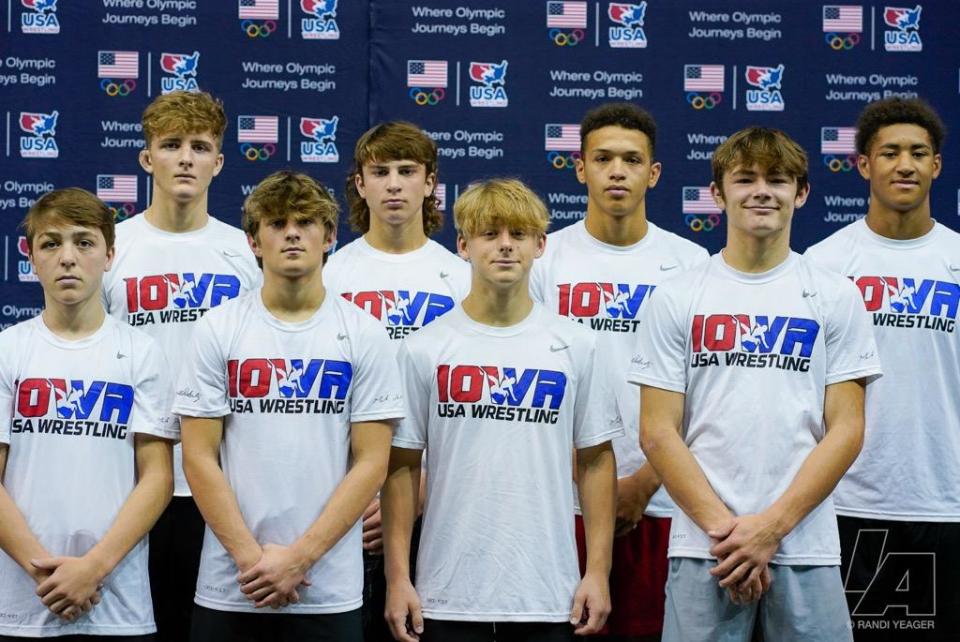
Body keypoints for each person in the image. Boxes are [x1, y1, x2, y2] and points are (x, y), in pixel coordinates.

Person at [629, 127, 882, 641]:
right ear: (718, 194)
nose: (761, 191)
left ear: (802, 192)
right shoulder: (678, 296)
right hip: (706, 549)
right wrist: (732, 537)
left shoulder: (835, 296)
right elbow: (657, 432)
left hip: (804, 544)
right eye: (745, 179)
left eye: (778, 179)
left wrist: (771, 529)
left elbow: (848, 429)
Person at [382, 178, 620, 642]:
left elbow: (595, 461)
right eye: (490, 234)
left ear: (540, 245)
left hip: (549, 595)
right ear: (464, 245)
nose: (506, 246)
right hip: (445, 594)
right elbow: (402, 467)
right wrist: (397, 577)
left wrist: (598, 572)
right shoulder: (424, 348)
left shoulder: (578, 344)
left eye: (518, 234)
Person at [173, 171, 404, 642]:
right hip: (232, 584)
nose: (293, 232)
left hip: (326, 586)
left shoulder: (364, 333)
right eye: (277, 223)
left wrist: (300, 558)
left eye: (306, 222)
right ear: (254, 241)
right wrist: (251, 562)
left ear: (330, 237)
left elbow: (372, 461)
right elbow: (198, 456)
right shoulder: (218, 328)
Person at [530, 102, 707, 641]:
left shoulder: (692, 263)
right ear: (580, 168)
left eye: (631, 160)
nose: (616, 171)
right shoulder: (544, 261)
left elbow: (705, 394)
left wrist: (646, 481)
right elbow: (531, 385)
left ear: (653, 173)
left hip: (663, 502)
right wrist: (589, 485)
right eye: (602, 158)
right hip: (561, 502)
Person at [101, 90, 261, 642]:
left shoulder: (245, 252)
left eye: (200, 146)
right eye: (171, 146)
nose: (186, 158)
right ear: (147, 159)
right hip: (127, 481)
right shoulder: (111, 248)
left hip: (223, 484)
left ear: (219, 162)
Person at [806, 97, 959, 639]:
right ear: (864, 165)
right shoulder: (824, 265)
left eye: (919, 153)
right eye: (889, 152)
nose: (905, 164)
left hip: (946, 499)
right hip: (847, 501)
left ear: (937, 165)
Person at [0, 188, 175, 639]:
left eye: (84, 242)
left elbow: (157, 477)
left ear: (110, 254)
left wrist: (93, 568)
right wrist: (48, 576)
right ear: (31, 257)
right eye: (51, 243)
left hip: (117, 603)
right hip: (23, 603)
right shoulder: (7, 351)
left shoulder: (142, 351)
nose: (68, 258)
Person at [325, 121, 469, 640]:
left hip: (441, 495)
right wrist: (354, 492)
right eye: (379, 172)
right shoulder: (330, 276)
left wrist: (423, 488)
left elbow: (475, 393)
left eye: (407, 172)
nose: (393, 184)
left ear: (431, 183)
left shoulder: (461, 278)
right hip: (344, 504)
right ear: (359, 184)